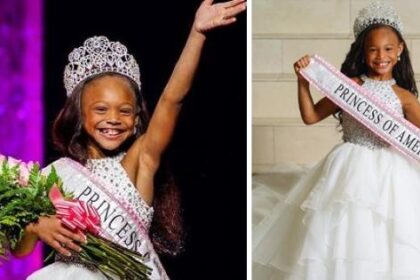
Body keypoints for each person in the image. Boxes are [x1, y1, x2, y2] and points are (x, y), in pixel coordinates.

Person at [11, 0, 246, 279]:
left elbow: (172, 100)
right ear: (80, 115)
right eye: (100, 109)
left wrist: (197, 33)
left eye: (124, 111)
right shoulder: (54, 175)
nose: (113, 118)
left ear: (136, 121)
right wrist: (36, 227)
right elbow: (21, 251)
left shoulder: (139, 162)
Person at [253, 2, 420, 279]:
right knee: (345, 230)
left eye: (388, 49)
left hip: (393, 174)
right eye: (373, 49)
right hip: (350, 168)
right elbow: (310, 116)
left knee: (388, 234)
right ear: (363, 52)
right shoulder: (349, 87)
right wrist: (302, 82)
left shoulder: (405, 97)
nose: (381, 56)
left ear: (400, 50)